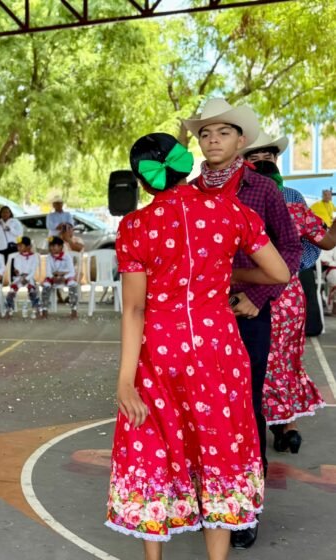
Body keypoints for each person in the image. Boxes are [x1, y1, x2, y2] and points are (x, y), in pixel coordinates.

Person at [106, 132, 290, 559]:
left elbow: (133, 310)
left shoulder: (136, 226)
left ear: (143, 180)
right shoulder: (231, 212)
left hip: (158, 353)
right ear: (184, 164)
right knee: (220, 451)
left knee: (152, 449)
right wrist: (228, 276)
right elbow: (280, 272)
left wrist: (124, 381)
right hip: (218, 350)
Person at [185, 99, 301, 550]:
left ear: (241, 141)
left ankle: (244, 509)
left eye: (222, 133)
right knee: (199, 409)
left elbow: (288, 253)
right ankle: (208, 502)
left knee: (244, 409)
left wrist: (256, 296)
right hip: (198, 317)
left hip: (247, 314)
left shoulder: (263, 190)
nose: (212, 141)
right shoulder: (189, 193)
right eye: (205, 134)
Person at [244, 132, 334, 452]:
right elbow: (324, 242)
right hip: (290, 293)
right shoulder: (293, 199)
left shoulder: (237, 198)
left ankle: (251, 426)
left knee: (254, 359)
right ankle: (287, 427)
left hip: (251, 291)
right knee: (284, 360)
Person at [41, 236, 79, 319]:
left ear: (61, 247)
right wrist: (53, 277)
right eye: (50, 246)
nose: (52, 248)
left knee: (73, 285)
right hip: (53, 278)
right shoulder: (49, 257)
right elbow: (48, 272)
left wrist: (63, 277)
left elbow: (71, 272)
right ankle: (44, 310)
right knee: (46, 285)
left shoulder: (67, 257)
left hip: (65, 278)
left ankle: (74, 310)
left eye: (54, 246)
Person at [5, 236, 41, 318]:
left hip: (30, 278)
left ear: (28, 247)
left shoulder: (35, 257)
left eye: (21, 246)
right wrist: (20, 275)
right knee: (11, 291)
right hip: (19, 279)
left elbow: (33, 270)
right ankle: (9, 309)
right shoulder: (17, 257)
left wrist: (27, 278)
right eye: (18, 246)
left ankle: (36, 308)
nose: (18, 247)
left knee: (33, 291)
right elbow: (17, 268)